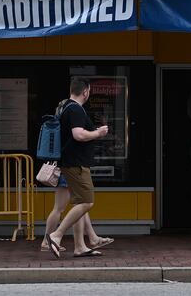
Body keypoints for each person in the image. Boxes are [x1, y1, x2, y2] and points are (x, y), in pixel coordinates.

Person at [45, 78, 109, 258]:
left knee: (79, 203)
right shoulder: (76, 109)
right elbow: (78, 135)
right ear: (86, 91)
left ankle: (80, 246)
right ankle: (56, 236)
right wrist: (98, 133)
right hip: (77, 164)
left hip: (70, 162)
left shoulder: (65, 107)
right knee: (87, 202)